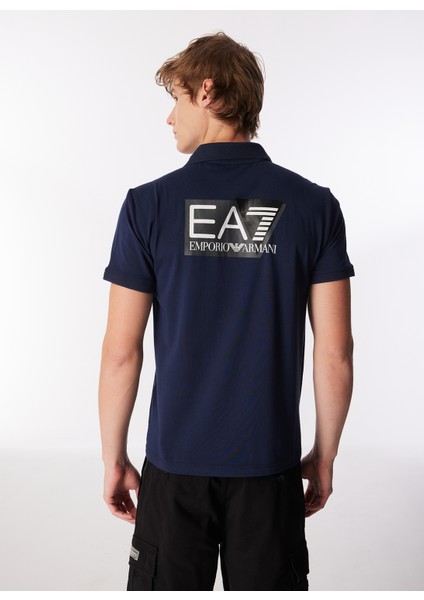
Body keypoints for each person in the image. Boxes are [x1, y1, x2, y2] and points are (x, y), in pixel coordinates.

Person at [98, 31, 354, 592]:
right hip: (270, 468)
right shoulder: (314, 206)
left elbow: (121, 352)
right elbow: (335, 352)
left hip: (175, 467)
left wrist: (114, 458)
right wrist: (325, 455)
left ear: (207, 92)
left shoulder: (147, 206)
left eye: (176, 98)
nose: (170, 118)